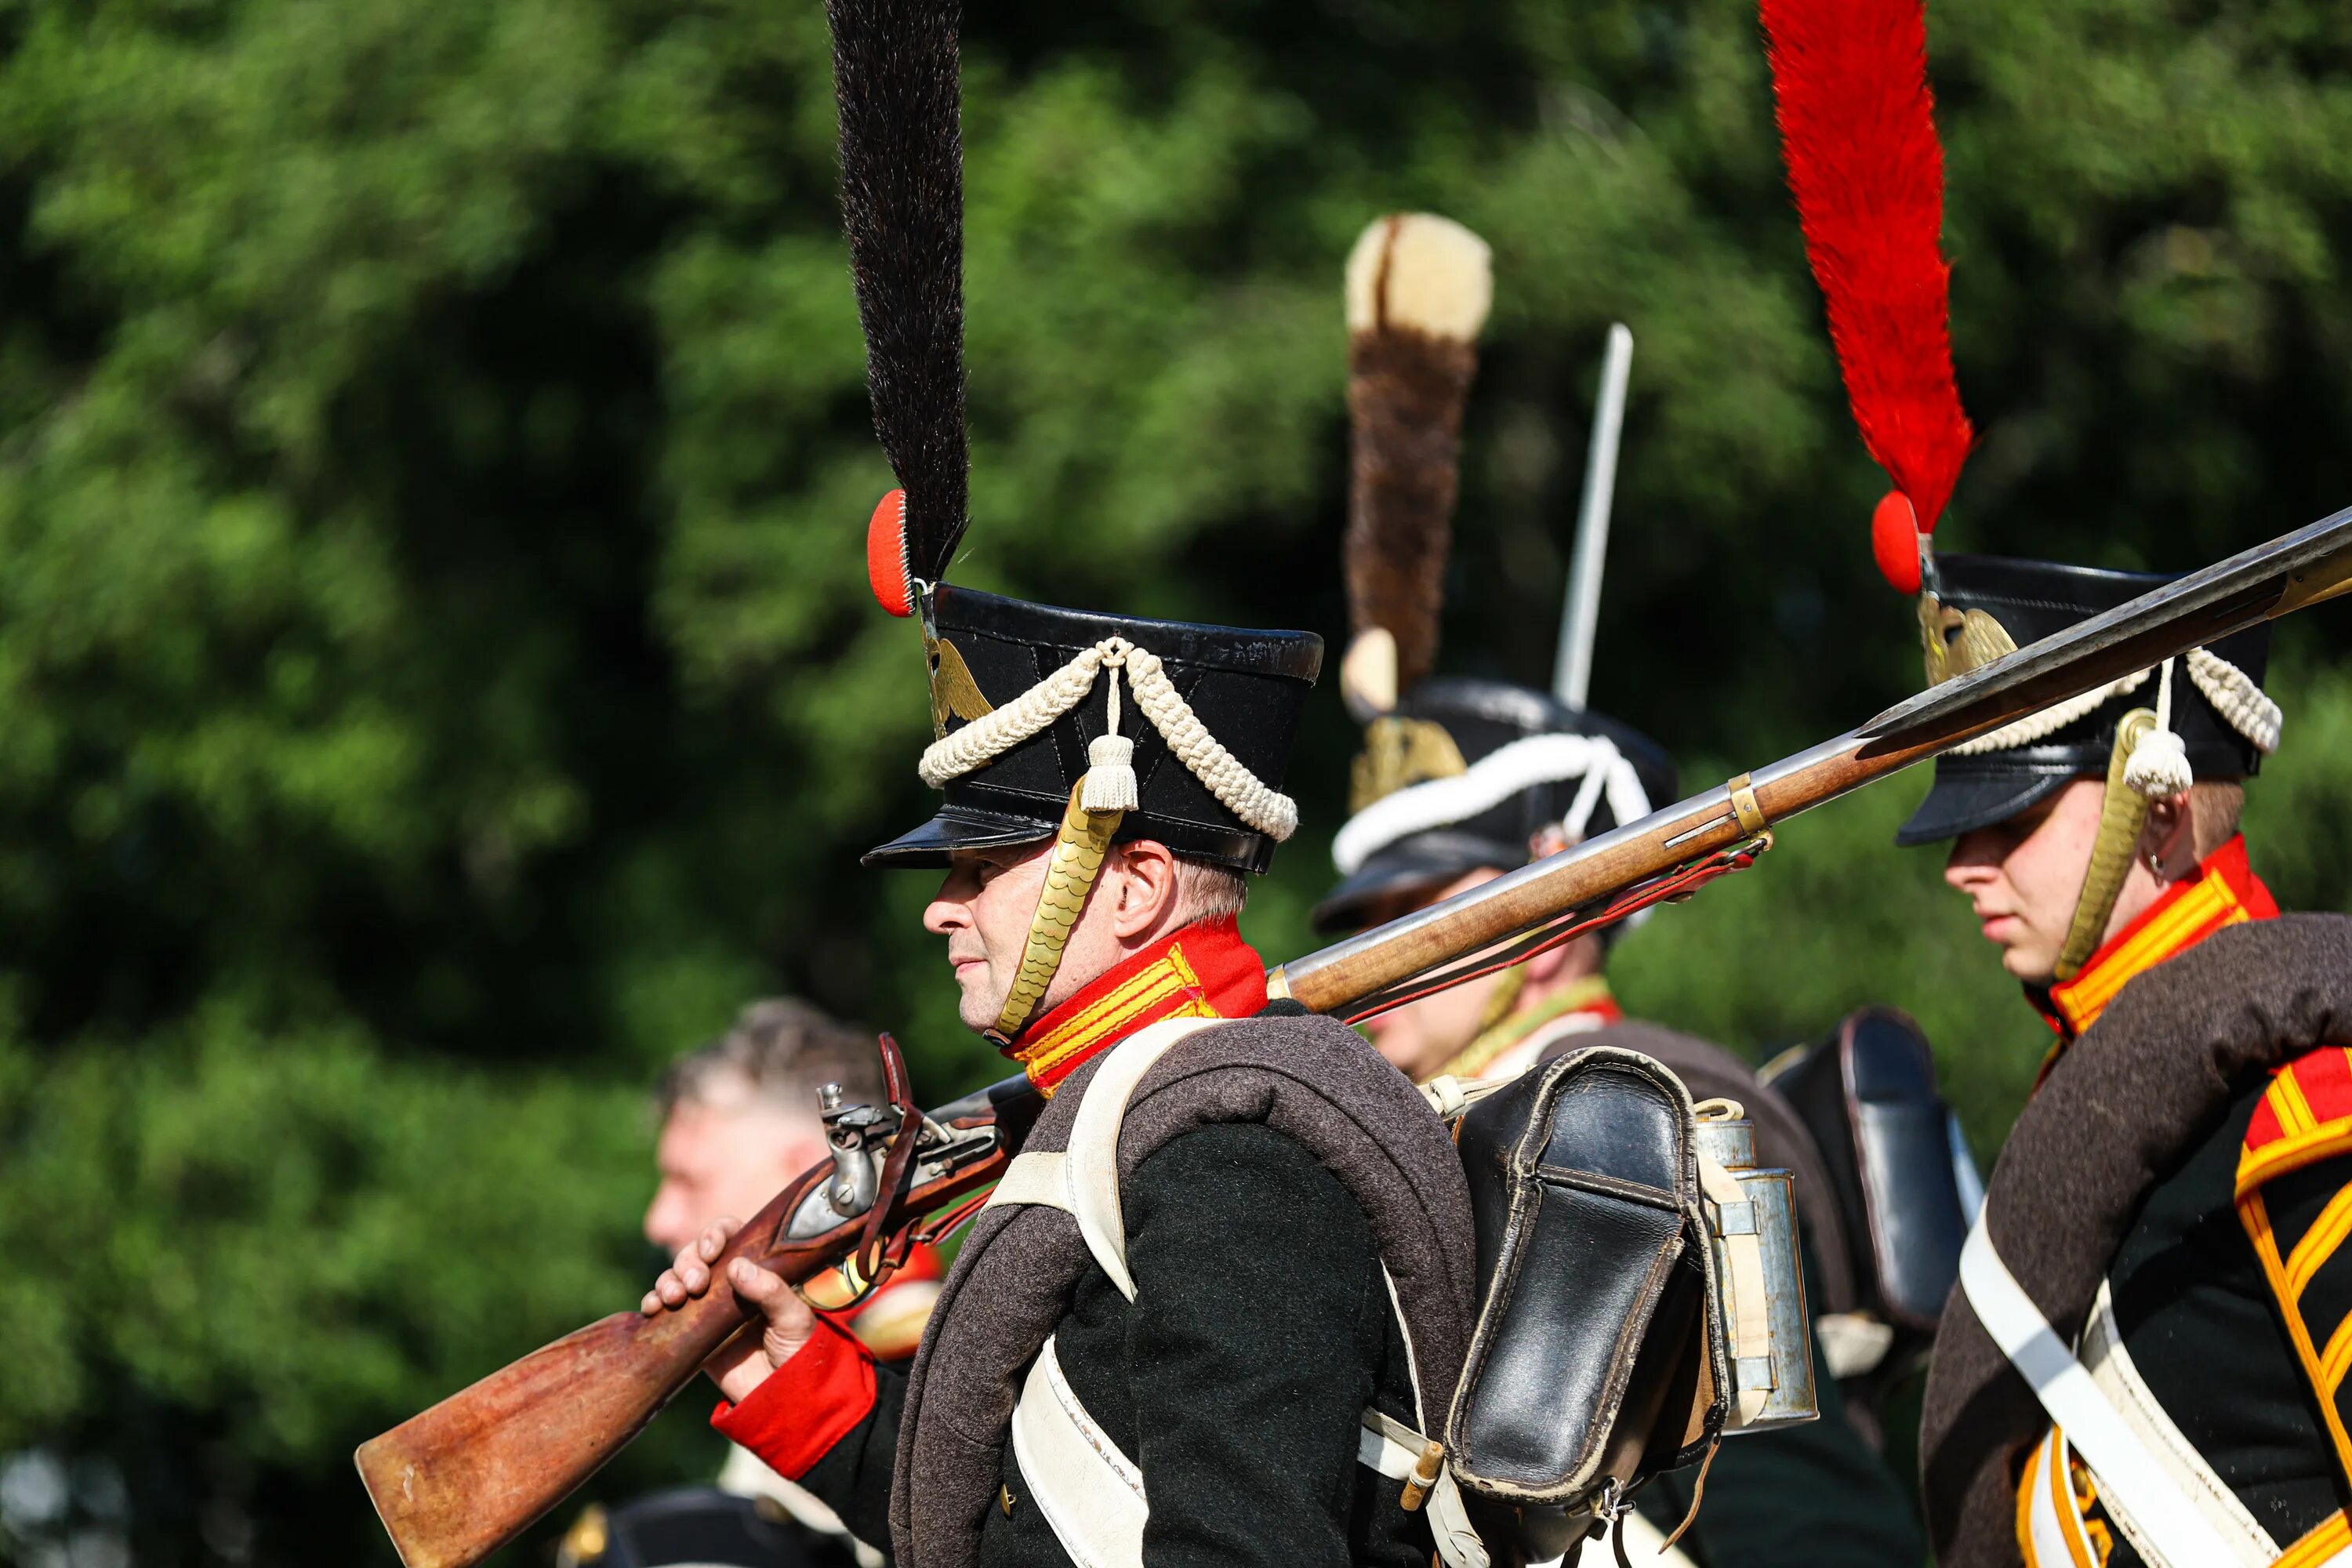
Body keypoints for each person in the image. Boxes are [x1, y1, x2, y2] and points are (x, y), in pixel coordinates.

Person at [638, 5, 1482, 1566]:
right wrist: (800, 1389)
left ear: (1142, 883)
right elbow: (1031, 1512)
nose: (946, 911)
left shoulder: (1232, 1157)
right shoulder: (1118, 1121)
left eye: (985, 870)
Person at [1751, 2, 2352, 1563]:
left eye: (2011, 816)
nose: (1964, 863)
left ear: (2159, 788)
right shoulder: (2122, 1084)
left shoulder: (2304, 1098)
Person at [1312, 212, 1922, 1566]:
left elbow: (1799, 1518)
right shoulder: (1435, 1118)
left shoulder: (1682, 1124)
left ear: (1551, 911)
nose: (1378, 968)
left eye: (1425, 919)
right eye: (1364, 928)